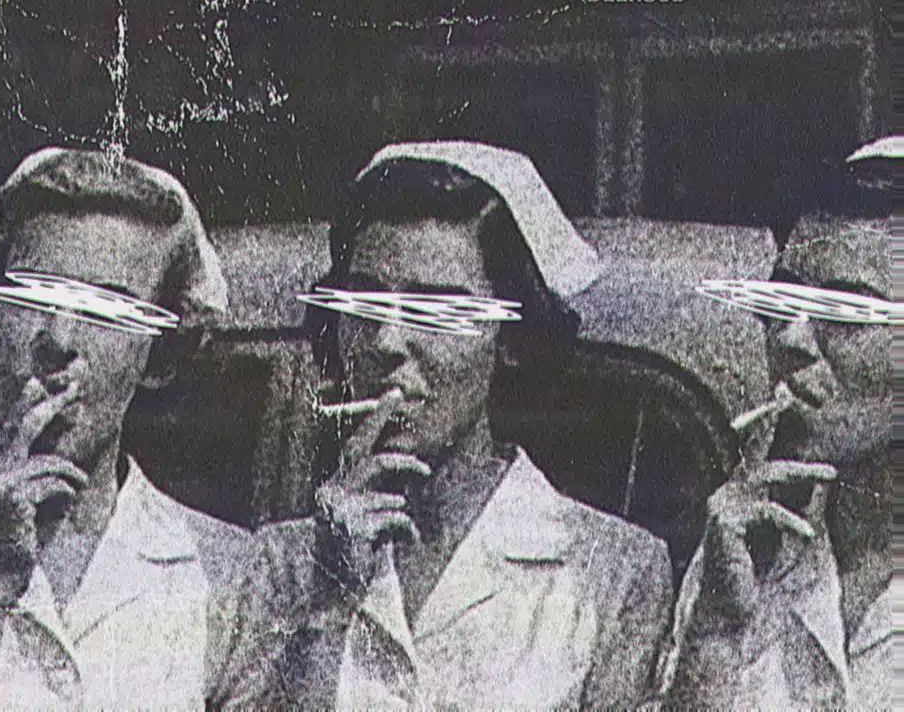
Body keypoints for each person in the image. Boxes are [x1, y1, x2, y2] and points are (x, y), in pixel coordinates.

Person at [254, 141, 675, 709]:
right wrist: (330, 602)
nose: (387, 340)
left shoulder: (610, 573)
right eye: (365, 302)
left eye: (436, 310)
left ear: (512, 339)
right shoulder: (282, 564)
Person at [0, 147, 261, 710]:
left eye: (105, 308)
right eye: (30, 295)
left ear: (159, 356)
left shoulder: (226, 575)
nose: (59, 339)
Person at [663, 137, 897, 709]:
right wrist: (714, 633)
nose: (790, 337)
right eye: (782, 299)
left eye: (846, 307)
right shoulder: (748, 548)